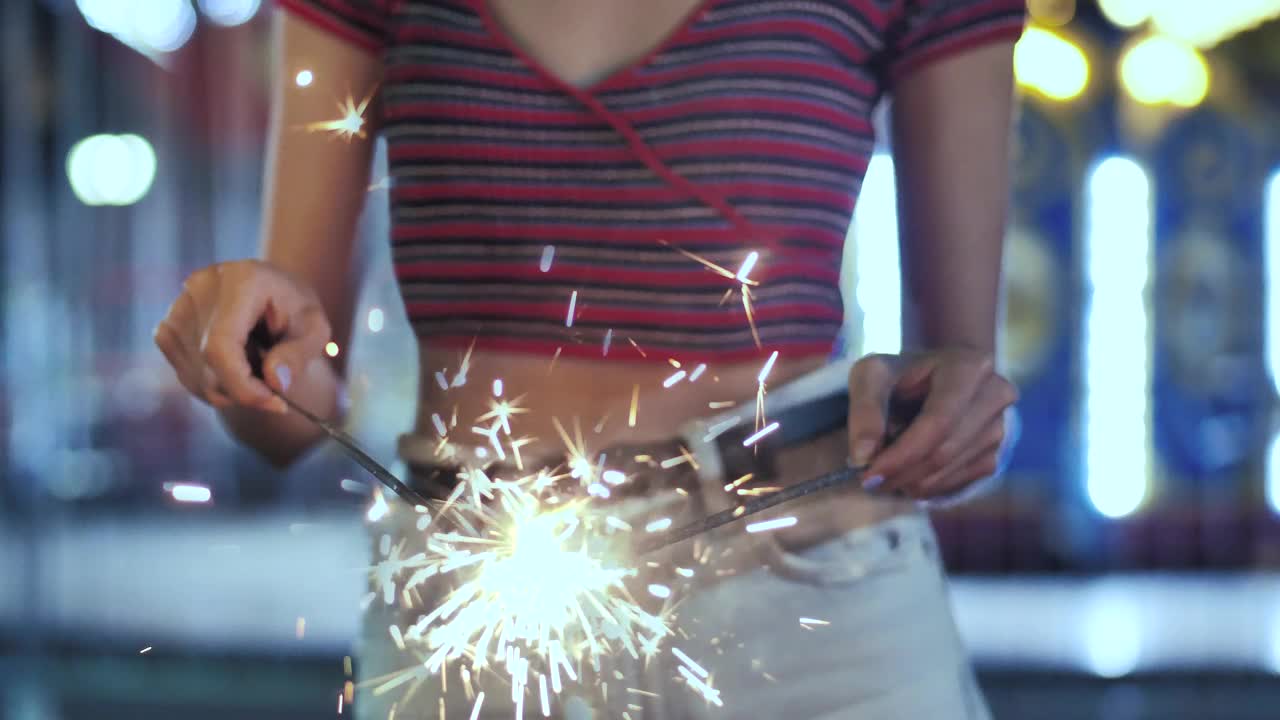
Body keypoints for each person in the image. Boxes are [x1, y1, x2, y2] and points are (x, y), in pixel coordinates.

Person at [155, 0, 1025, 717]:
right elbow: (290, 412)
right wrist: (242, 345)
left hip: (818, 617)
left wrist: (952, 399)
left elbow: (961, 367)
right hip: (470, 618)